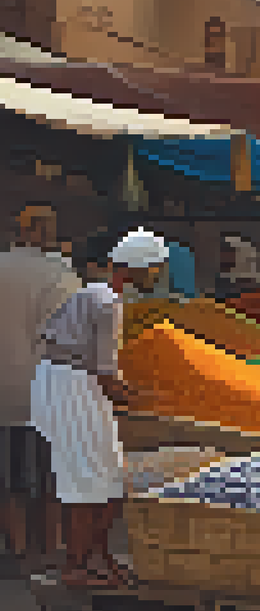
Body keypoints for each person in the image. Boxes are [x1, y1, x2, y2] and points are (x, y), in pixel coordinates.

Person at [33, 229, 165, 589]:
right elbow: (105, 374)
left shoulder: (95, 295)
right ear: (137, 268)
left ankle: (96, 558)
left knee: (104, 477)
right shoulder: (107, 303)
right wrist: (146, 405)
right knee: (88, 478)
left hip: (68, 383)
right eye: (153, 269)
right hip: (72, 387)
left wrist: (128, 393)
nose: (156, 276)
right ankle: (78, 565)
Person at [0, 204, 81, 571]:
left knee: (8, 473)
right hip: (45, 388)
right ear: (46, 231)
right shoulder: (61, 275)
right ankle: (50, 546)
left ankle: (16, 548)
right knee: (52, 474)